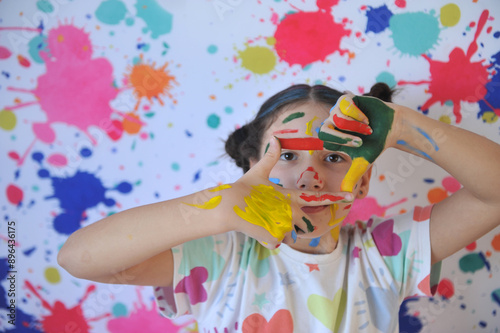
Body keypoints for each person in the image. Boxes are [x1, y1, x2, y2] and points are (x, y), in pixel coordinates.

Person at [58, 83, 500, 332]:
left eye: (333, 157)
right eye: (287, 156)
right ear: (253, 166)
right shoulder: (219, 254)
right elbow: (79, 259)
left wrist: (401, 124)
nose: (309, 177)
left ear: (362, 178)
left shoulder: (386, 255)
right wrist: (210, 210)